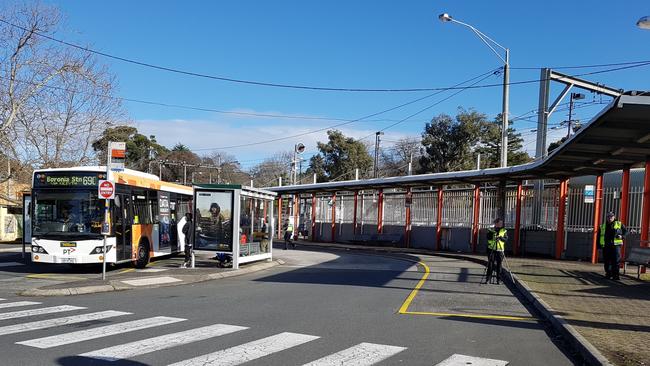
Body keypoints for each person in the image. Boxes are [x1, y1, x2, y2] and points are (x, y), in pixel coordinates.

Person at [598, 211, 627, 280]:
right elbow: (599, 236)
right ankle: (608, 274)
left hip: (616, 246)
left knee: (616, 261)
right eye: (608, 216)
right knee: (607, 261)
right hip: (606, 245)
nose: (610, 218)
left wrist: (622, 236)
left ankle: (616, 275)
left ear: (614, 217)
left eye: (611, 216)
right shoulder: (603, 225)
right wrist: (598, 246)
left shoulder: (619, 224)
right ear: (606, 217)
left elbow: (626, 232)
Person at [486, 218, 507, 284]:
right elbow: (488, 237)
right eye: (499, 223)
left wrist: (500, 238)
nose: (500, 224)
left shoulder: (504, 230)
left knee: (499, 265)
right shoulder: (491, 229)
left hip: (500, 250)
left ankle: (499, 279)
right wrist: (494, 236)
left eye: (501, 223)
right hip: (491, 249)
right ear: (496, 223)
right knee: (490, 264)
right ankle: (488, 279)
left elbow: (505, 239)